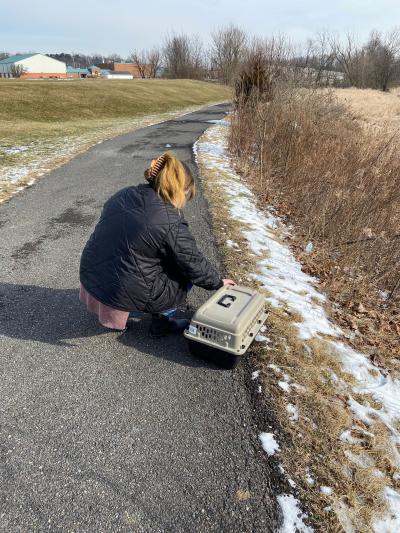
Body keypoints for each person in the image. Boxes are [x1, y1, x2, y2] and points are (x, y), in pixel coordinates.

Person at [79, 151, 235, 337]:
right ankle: (162, 324)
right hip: (118, 294)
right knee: (182, 272)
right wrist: (217, 282)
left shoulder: (123, 194)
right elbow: (193, 263)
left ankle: (121, 310)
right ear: (180, 190)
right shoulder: (169, 220)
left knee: (142, 254)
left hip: (91, 280)